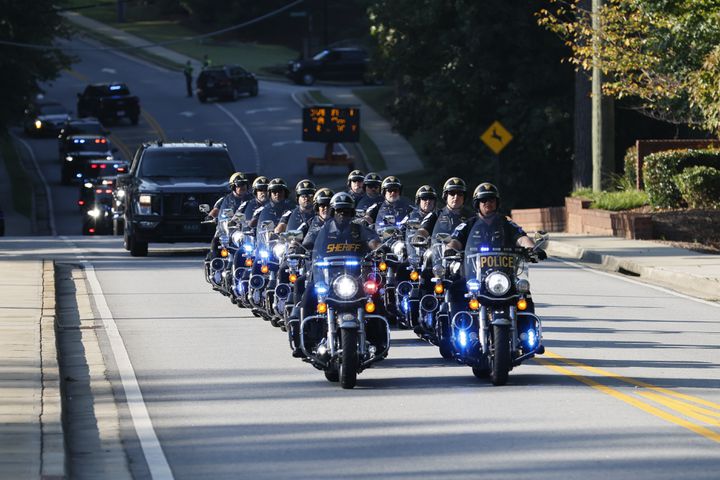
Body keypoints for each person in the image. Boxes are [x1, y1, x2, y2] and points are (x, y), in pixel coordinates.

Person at [288, 192, 381, 356]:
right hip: (326, 277)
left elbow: (373, 241)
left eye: (346, 211)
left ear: (352, 212)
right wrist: (298, 248)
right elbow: (308, 243)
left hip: (354, 279)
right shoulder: (321, 229)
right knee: (308, 296)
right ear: (333, 212)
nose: (342, 215)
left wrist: (379, 248)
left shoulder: (360, 229)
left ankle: (378, 340)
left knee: (375, 298)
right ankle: (305, 342)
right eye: (339, 211)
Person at [445, 182, 546, 314]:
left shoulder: (506, 223)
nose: (488, 203)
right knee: (454, 289)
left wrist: (533, 248)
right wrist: (450, 249)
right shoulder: (468, 224)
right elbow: (455, 240)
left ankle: (527, 331)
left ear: (497, 202)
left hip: (505, 276)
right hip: (474, 276)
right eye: (483, 200)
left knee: (523, 292)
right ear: (477, 203)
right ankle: (457, 327)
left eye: (491, 199)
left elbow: (521, 237)